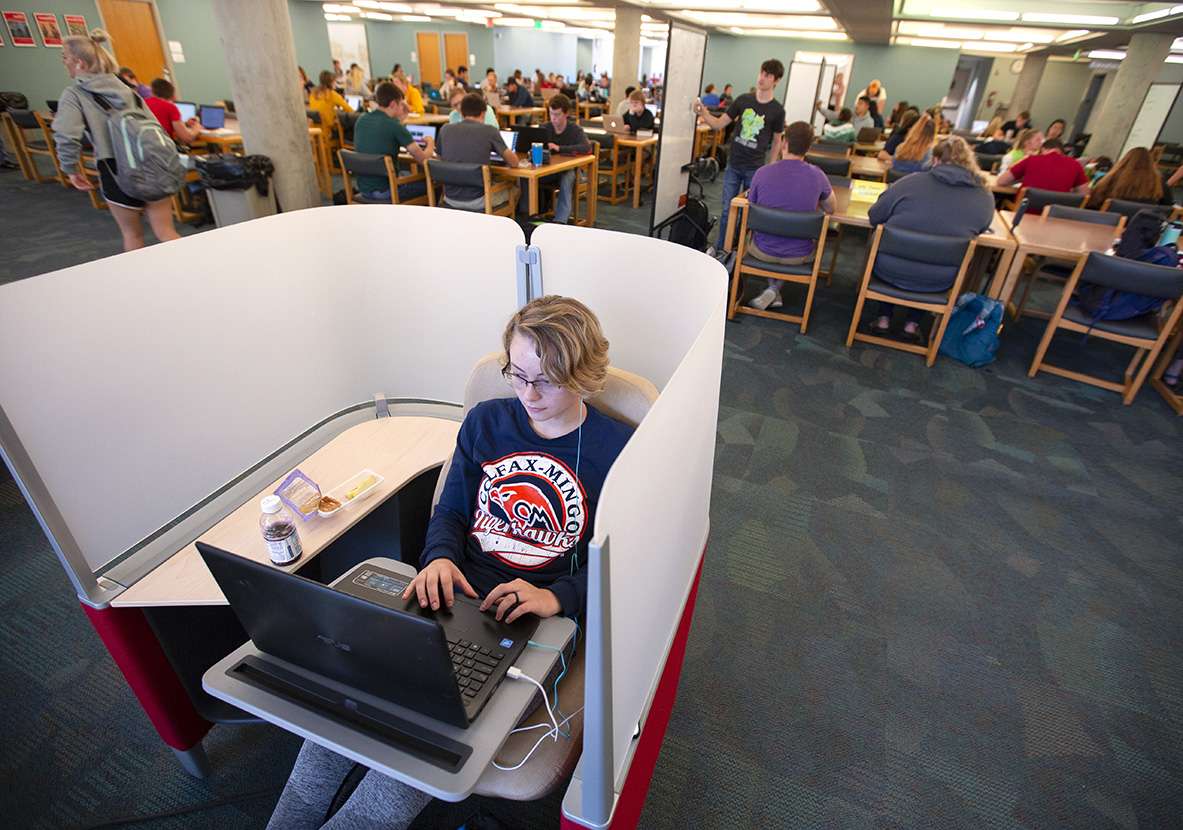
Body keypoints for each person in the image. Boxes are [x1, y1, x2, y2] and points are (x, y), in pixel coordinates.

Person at [266, 295, 632, 830]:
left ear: (584, 375)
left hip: (530, 619)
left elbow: (619, 562)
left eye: (546, 381)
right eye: (517, 373)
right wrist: (436, 558)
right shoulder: (487, 422)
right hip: (449, 595)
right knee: (345, 702)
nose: (527, 394)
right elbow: (452, 510)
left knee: (423, 736)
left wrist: (557, 597)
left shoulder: (617, 451)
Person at [55, 30, 180, 251]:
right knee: (166, 232)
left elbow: (66, 134)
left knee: (133, 236)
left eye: (64, 57)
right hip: (153, 162)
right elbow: (156, 126)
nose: (63, 62)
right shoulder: (128, 89)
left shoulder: (75, 94)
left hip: (115, 168)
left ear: (79, 63)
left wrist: (71, 169)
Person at [865, 136, 994, 341]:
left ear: (934, 160)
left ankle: (883, 318)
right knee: (936, 255)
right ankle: (912, 324)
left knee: (884, 242)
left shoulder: (909, 182)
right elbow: (982, 227)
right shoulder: (984, 197)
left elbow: (875, 217)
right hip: (941, 279)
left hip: (888, 269)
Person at [743, 121, 837, 311]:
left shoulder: (762, 173)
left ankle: (772, 288)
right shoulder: (818, 176)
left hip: (762, 251)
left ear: (784, 143)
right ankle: (774, 290)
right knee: (794, 239)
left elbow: (751, 204)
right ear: (809, 147)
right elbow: (831, 208)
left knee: (759, 233)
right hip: (799, 255)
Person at [694, 58, 787, 251]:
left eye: (768, 75)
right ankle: (722, 250)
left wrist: (770, 169)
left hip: (755, 169)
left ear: (776, 80)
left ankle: (740, 251)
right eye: (761, 73)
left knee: (748, 213)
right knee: (728, 211)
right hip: (734, 165)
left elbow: (777, 141)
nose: (762, 78)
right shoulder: (743, 100)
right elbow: (720, 124)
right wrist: (703, 112)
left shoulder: (777, 110)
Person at [436, 92, 519, 211]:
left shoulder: (444, 129)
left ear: (462, 112)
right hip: (479, 201)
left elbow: (440, 159)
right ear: (483, 113)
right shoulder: (489, 131)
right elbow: (514, 163)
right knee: (516, 188)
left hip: (449, 198)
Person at [351, 81, 431, 203]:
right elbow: (424, 160)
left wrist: (400, 121)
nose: (402, 107)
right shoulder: (394, 126)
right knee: (433, 185)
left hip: (363, 189)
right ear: (393, 104)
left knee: (405, 172)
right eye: (400, 104)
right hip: (387, 192)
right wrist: (430, 143)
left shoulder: (361, 120)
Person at [541, 94, 591, 224]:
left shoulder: (575, 130)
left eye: (557, 114)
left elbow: (586, 147)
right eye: (551, 113)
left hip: (571, 170)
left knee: (567, 177)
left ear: (566, 114)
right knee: (527, 178)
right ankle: (532, 215)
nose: (553, 118)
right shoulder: (545, 128)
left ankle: (560, 221)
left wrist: (559, 148)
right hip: (548, 169)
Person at [1085, 147, 1171, 209]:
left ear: (1124, 160)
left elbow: (1093, 202)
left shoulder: (1106, 180)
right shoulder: (1160, 184)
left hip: (1104, 223)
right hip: (1142, 228)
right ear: (1151, 163)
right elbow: (1167, 208)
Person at [996, 137, 1088, 194]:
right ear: (1062, 151)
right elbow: (1084, 194)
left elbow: (1001, 181)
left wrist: (1022, 179)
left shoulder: (1031, 159)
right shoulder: (1076, 164)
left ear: (1043, 149)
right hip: (1055, 216)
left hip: (1024, 212)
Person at [144, 78, 201, 146]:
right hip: (163, 147)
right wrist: (197, 128)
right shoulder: (170, 107)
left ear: (153, 91)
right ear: (172, 95)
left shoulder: (143, 103)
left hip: (144, 147)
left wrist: (185, 124)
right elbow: (187, 138)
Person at [307, 69, 353, 136]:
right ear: (331, 82)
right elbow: (349, 110)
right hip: (328, 131)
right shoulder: (332, 94)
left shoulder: (313, 93)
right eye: (334, 81)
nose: (335, 83)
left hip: (315, 130)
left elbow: (321, 109)